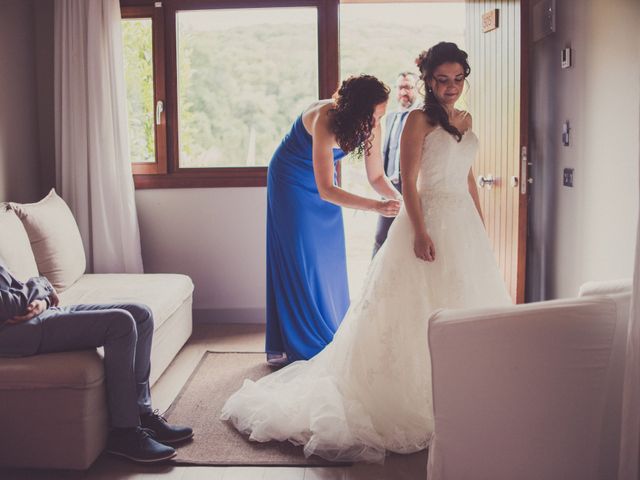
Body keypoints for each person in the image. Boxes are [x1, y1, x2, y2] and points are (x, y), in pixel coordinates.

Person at [221, 42, 511, 464]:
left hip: (457, 218)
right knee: (306, 266)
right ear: (430, 80)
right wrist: (405, 216)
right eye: (442, 79)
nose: (451, 88)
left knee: (336, 266)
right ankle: (302, 342)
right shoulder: (342, 118)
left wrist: (402, 207)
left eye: (458, 79)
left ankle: (458, 380)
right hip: (294, 182)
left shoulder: (455, 120)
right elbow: (357, 184)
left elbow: (387, 177)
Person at [265, 75, 402, 366]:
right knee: (303, 259)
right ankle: (300, 341)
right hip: (291, 180)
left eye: (382, 114)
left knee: (328, 259)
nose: (379, 120)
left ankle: (332, 329)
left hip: (325, 183)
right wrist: (377, 207)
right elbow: (327, 190)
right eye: (376, 114)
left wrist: (398, 200)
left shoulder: (372, 124)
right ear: (356, 110)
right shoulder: (325, 118)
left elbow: (377, 177)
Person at [0, 259, 193, 463]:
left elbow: (17, 294)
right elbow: (9, 305)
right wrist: (43, 286)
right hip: (15, 334)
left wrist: (43, 300)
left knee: (141, 314)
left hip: (37, 314)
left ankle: (140, 412)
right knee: (121, 323)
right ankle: (124, 432)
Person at [372, 71, 419, 256]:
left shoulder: (420, 117)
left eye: (408, 87)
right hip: (389, 186)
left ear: (417, 89)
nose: (403, 92)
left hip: (412, 185)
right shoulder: (389, 117)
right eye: (400, 87)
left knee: (406, 237)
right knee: (381, 237)